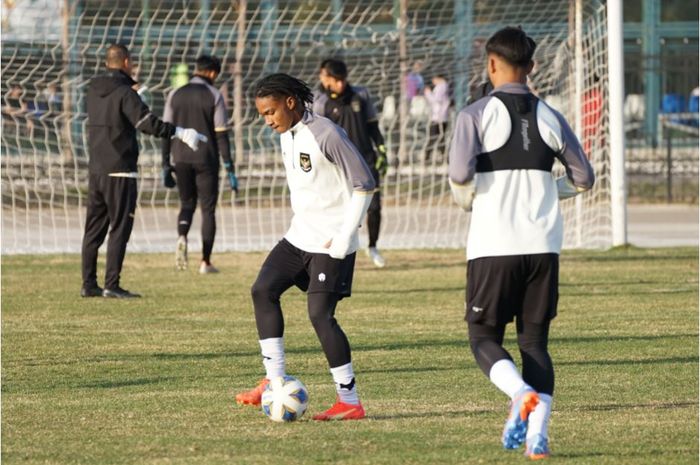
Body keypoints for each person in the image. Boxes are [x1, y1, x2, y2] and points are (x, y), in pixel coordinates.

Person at [448, 27, 594, 459]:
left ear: (491, 64)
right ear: (531, 68)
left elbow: (459, 177)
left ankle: (517, 395)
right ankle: (537, 438)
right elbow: (584, 178)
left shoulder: (476, 114)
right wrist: (551, 192)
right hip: (543, 246)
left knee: (482, 336)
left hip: (494, 244)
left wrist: (466, 199)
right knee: (534, 344)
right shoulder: (551, 115)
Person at [235, 73, 375, 421]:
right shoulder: (287, 134)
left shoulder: (325, 133)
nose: (267, 121)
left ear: (290, 103)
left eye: (270, 112)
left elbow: (365, 183)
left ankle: (350, 401)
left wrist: (345, 234)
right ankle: (275, 380)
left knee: (320, 316)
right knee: (262, 290)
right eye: (263, 114)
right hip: (299, 236)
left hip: (331, 242)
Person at [81, 44, 205, 298]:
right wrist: (180, 132)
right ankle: (112, 285)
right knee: (119, 229)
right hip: (121, 171)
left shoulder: (94, 90)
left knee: (93, 230)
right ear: (127, 61)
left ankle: (88, 284)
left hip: (96, 170)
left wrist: (133, 94)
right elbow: (148, 125)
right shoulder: (126, 93)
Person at [162, 55, 238, 274]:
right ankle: (205, 261)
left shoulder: (175, 94)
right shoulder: (214, 95)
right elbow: (221, 133)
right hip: (206, 159)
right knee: (208, 210)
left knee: (186, 204)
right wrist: (229, 166)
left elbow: (166, 131)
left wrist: (165, 163)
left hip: (181, 157)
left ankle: (182, 237)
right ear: (213, 73)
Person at [313, 58, 388, 267]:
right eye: (336, 80)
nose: (341, 84)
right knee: (340, 208)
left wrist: (381, 149)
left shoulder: (361, 95)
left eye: (343, 79)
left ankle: (373, 246)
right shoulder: (319, 103)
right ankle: (333, 248)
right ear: (325, 78)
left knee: (374, 207)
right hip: (338, 166)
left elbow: (373, 127)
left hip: (366, 159)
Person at [423, 74, 450, 161]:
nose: (433, 81)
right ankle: (444, 156)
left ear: (439, 78)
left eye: (434, 79)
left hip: (438, 118)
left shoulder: (441, 87)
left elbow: (435, 100)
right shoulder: (444, 86)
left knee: (434, 137)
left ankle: (427, 156)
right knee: (440, 138)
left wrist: (427, 93)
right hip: (441, 117)